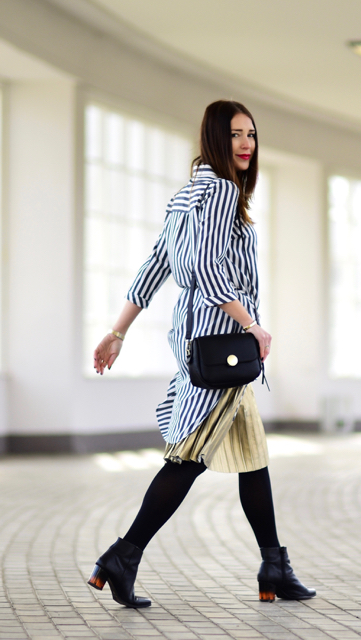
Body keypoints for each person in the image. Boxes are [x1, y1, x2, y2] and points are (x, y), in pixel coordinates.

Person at [86, 100, 315, 608]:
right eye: (235, 134)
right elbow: (209, 270)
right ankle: (122, 556)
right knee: (188, 458)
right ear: (215, 137)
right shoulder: (218, 192)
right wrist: (252, 325)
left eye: (252, 134)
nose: (246, 143)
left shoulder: (187, 194)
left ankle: (274, 564)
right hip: (223, 354)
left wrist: (117, 331)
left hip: (209, 349)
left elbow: (155, 266)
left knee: (253, 459)